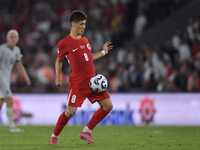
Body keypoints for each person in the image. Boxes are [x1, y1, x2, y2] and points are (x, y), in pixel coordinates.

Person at [49, 10, 113, 145]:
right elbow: (58, 60)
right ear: (73, 24)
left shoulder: (85, 40)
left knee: (108, 106)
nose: (84, 27)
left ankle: (86, 132)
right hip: (78, 83)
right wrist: (58, 76)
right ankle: (54, 136)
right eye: (81, 24)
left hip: (93, 81)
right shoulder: (64, 43)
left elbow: (89, 58)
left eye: (85, 24)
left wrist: (103, 52)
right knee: (70, 112)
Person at [0, 30, 31, 132]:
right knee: (9, 100)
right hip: (1, 77)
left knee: (1, 103)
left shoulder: (17, 50)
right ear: (7, 38)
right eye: (11, 37)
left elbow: (19, 65)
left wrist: (25, 77)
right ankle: (12, 126)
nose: (13, 39)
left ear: (18, 39)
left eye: (15, 37)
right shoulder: (2, 49)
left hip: (6, 78)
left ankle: (12, 126)